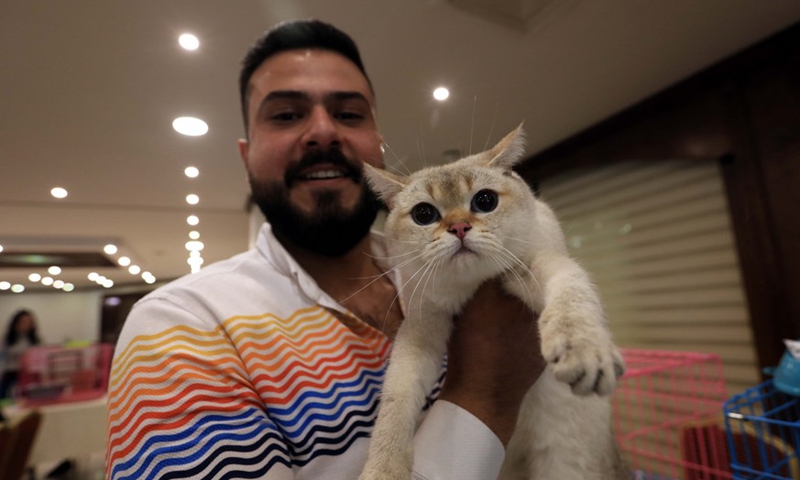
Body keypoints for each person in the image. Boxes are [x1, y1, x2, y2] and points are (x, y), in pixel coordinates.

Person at [106, 19, 544, 480]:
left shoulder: (461, 266)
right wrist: (485, 394)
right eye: (286, 115)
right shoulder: (179, 328)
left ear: (378, 145)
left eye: (350, 114)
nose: (322, 131)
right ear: (245, 154)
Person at [1, 309, 41, 399]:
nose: (26, 324)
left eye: (29, 322)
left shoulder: (34, 339)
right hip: (12, 373)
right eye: (23, 321)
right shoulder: (9, 339)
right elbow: (6, 354)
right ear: (16, 323)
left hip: (30, 375)